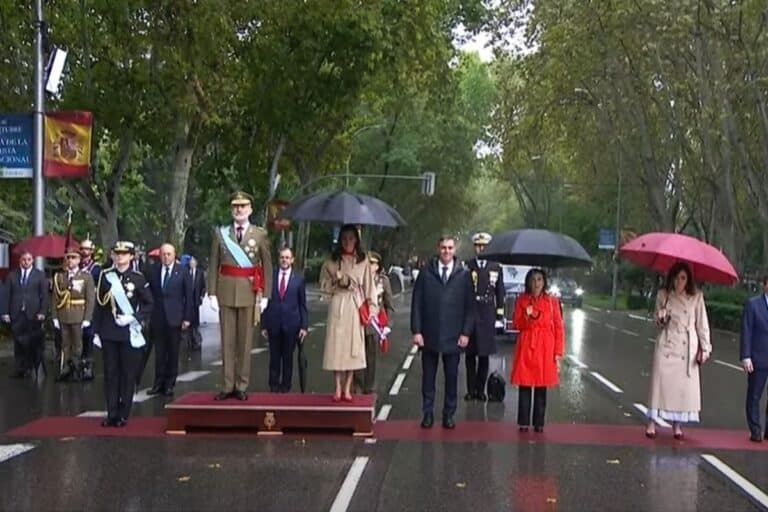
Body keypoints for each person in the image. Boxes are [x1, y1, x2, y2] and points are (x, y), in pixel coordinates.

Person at [208, 191, 273, 401]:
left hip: (249, 291)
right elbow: (213, 265)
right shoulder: (220, 234)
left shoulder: (259, 235)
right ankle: (227, 385)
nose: (239, 210)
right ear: (231, 210)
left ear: (250, 210)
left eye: (243, 206)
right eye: (235, 206)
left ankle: (241, 385)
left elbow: (267, 266)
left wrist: (266, 295)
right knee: (227, 341)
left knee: (245, 342)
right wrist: (211, 292)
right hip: (225, 291)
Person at [411, 235, 473, 430]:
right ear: (438, 249)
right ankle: (428, 413)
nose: (446, 251)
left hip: (454, 336)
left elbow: (470, 308)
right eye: (443, 248)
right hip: (429, 334)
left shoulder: (463, 275)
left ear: (455, 250)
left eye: (450, 248)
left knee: (452, 378)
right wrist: (417, 330)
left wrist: (465, 333)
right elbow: (417, 303)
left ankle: (449, 414)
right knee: (428, 378)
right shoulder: (426, 273)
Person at [645, 262, 711, 440]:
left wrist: (704, 348)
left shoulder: (696, 297)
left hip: (686, 346)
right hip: (667, 344)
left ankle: (677, 424)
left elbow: (702, 324)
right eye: (676, 277)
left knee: (682, 389)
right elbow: (657, 323)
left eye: (683, 278)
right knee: (659, 384)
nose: (679, 281)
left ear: (688, 279)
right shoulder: (663, 295)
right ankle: (652, 421)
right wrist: (661, 317)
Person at [92, 241, 153, 427]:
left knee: (127, 374)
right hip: (109, 331)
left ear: (131, 256)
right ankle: (111, 413)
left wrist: (133, 317)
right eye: (117, 253)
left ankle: (123, 413)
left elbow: (149, 304)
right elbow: (99, 305)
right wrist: (96, 331)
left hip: (128, 332)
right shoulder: (105, 276)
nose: (120, 257)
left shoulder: (138, 278)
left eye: (124, 254)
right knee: (111, 373)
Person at [320, 224, 376, 402]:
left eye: (351, 238)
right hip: (338, 304)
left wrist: (372, 308)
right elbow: (324, 286)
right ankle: (337, 386)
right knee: (337, 347)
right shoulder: (331, 261)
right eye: (344, 239)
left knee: (353, 347)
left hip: (354, 305)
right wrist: (336, 282)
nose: (347, 242)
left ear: (356, 240)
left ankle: (347, 388)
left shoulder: (363, 260)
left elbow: (369, 286)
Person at [510, 268, 564, 433]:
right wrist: (526, 316)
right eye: (533, 280)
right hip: (527, 345)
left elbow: (558, 328)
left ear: (544, 282)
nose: (536, 283)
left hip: (545, 347)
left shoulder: (551, 302)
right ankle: (524, 421)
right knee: (525, 384)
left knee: (542, 385)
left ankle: (539, 422)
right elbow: (516, 324)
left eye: (539, 279)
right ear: (528, 282)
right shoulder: (522, 300)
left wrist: (557, 353)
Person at [145, 243, 193, 396]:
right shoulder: (153, 271)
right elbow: (148, 294)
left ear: (174, 255)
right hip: (158, 318)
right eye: (163, 254)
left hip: (175, 318)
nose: (166, 257)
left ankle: (169, 384)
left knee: (173, 353)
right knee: (159, 353)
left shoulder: (182, 271)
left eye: (169, 254)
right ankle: (158, 384)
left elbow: (189, 297)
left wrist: (187, 318)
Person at [464, 232, 505, 401]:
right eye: (478, 246)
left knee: (484, 354)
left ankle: (480, 390)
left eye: (484, 246)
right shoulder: (468, 265)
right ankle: (470, 389)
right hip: (471, 310)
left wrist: (499, 315)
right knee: (470, 354)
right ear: (474, 247)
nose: (481, 249)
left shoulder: (496, 267)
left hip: (487, 312)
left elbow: (500, 291)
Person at [261, 247, 308, 392]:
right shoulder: (271, 276)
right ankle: (273, 387)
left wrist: (304, 327)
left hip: (292, 325)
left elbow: (302, 304)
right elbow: (264, 301)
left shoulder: (298, 279)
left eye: (287, 257)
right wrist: (263, 325)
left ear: (292, 260)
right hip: (273, 323)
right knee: (274, 358)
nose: (284, 260)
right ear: (278, 259)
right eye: (282, 257)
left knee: (288, 358)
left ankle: (285, 387)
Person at [0, 251, 48, 378]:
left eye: (29, 259)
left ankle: (31, 366)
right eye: (24, 259)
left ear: (32, 260)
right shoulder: (12, 275)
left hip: (33, 314)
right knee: (18, 342)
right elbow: (6, 295)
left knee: (31, 342)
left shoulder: (39, 275)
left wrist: (42, 312)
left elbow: (44, 296)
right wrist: (5, 312)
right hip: (17, 313)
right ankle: (20, 369)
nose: (26, 262)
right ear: (20, 260)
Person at [51, 245, 95, 382]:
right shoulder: (59, 277)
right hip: (64, 314)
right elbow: (55, 298)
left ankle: (76, 367)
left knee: (77, 344)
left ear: (79, 259)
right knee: (65, 343)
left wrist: (87, 317)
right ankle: (65, 368)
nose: (70, 260)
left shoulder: (86, 277)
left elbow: (90, 299)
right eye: (68, 257)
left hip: (78, 315)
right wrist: (54, 316)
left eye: (74, 257)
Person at [354, 251, 394, 394]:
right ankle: (357, 385)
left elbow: (388, 304)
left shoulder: (383, 281)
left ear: (377, 266)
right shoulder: (358, 280)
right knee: (356, 356)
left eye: (372, 263)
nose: (368, 265)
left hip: (374, 324)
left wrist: (387, 325)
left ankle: (369, 387)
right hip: (357, 323)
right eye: (367, 262)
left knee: (371, 357)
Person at [739, 275, 768, 442]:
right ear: (765, 285)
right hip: (758, 357)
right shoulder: (753, 304)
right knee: (754, 395)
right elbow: (747, 330)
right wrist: (746, 356)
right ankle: (755, 429)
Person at [79, 237, 101, 380]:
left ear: (92, 251)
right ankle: (76, 365)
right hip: (76, 306)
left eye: (87, 249)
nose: (84, 252)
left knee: (88, 336)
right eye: (82, 249)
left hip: (90, 306)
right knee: (76, 337)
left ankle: (88, 366)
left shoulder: (97, 268)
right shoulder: (76, 266)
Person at [187, 256, 206, 350]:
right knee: (188, 320)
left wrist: (202, 296)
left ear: (196, 263)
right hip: (187, 300)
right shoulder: (186, 272)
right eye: (190, 262)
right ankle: (191, 340)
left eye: (193, 262)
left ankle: (197, 339)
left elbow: (203, 286)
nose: (192, 263)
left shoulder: (200, 273)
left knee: (195, 320)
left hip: (196, 300)